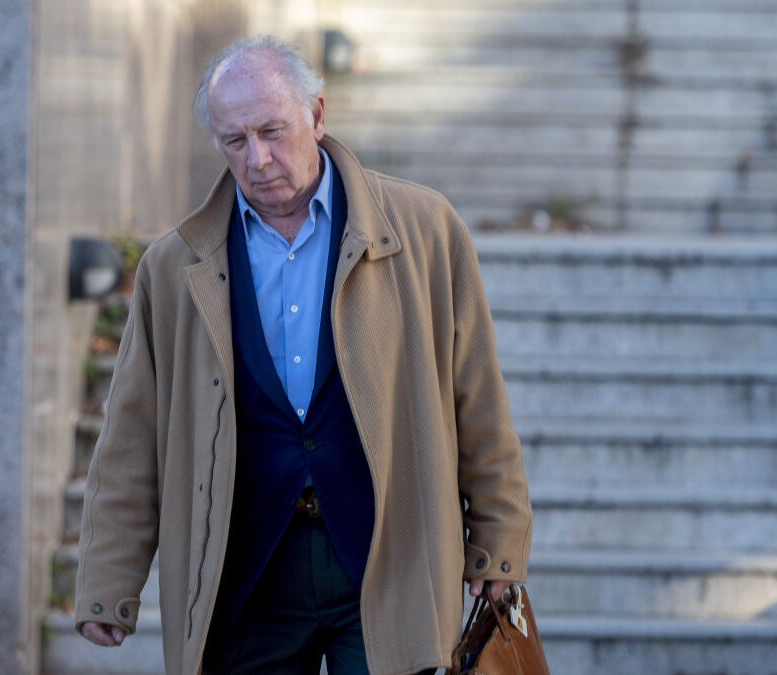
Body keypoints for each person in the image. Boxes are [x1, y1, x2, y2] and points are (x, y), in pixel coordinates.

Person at [74, 34, 532, 674]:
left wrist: (499, 537)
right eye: (235, 141)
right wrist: (108, 580)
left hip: (388, 562)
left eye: (272, 130)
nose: (258, 158)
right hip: (244, 574)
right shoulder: (172, 267)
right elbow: (132, 435)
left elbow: (476, 396)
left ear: (316, 114)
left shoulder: (426, 228)